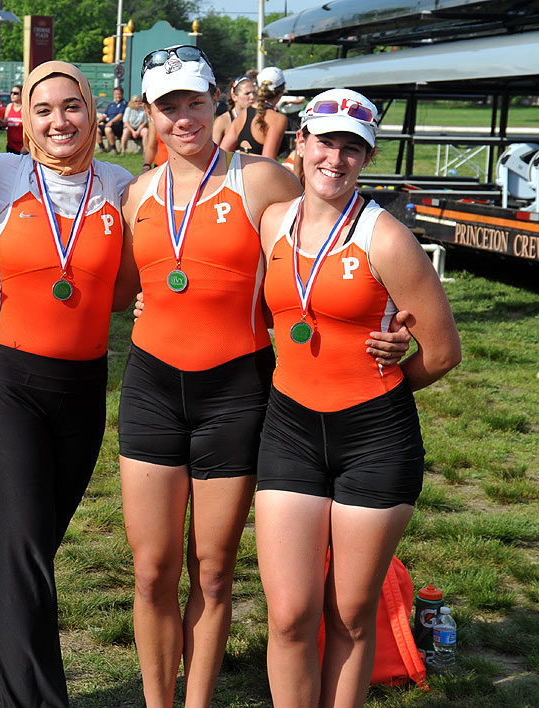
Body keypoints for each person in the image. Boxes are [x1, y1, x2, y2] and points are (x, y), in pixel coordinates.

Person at [119, 49, 412, 708]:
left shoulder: (265, 182)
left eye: (195, 101)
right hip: (150, 389)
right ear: (149, 113)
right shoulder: (137, 193)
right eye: (168, 105)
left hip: (235, 390)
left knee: (215, 569)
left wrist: (386, 325)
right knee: (151, 570)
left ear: (220, 99)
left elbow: (327, 241)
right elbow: (124, 291)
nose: (183, 116)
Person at [0, 61, 137, 708]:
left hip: (82, 390)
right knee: (24, 548)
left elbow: (133, 283)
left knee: (32, 549)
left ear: (93, 112)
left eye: (71, 106)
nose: (58, 121)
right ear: (26, 116)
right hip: (6, 384)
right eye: (43, 108)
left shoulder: (126, 189)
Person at [256, 88, 460, 708]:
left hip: (374, 440)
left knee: (348, 611)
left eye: (352, 148)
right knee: (290, 614)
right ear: (301, 145)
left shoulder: (386, 238)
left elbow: (444, 351)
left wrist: (386, 381)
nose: (335, 159)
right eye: (325, 141)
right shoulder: (272, 221)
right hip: (289, 429)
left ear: (365, 158)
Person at [220, 66, 288, 158]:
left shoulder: (244, 113)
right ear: (282, 90)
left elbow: (222, 153)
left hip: (238, 170)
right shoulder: (278, 119)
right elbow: (268, 162)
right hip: (259, 171)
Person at [212, 74, 256, 145]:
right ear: (234, 97)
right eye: (247, 93)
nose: (252, 97)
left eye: (254, 93)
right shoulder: (223, 121)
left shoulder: (258, 118)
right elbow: (213, 152)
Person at [98, 86, 127, 153]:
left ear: (122, 94)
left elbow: (120, 115)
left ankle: (114, 149)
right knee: (96, 129)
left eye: (119, 94)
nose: (117, 96)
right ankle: (102, 148)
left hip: (118, 125)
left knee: (107, 129)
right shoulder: (111, 105)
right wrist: (98, 121)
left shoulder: (124, 104)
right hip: (109, 123)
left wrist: (111, 122)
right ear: (113, 95)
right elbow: (105, 115)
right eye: (116, 94)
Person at [3, 84, 24, 154]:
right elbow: (5, 123)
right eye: (11, 93)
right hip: (10, 145)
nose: (12, 95)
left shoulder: (25, 108)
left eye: (15, 93)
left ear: (22, 95)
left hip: (22, 146)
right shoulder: (9, 107)